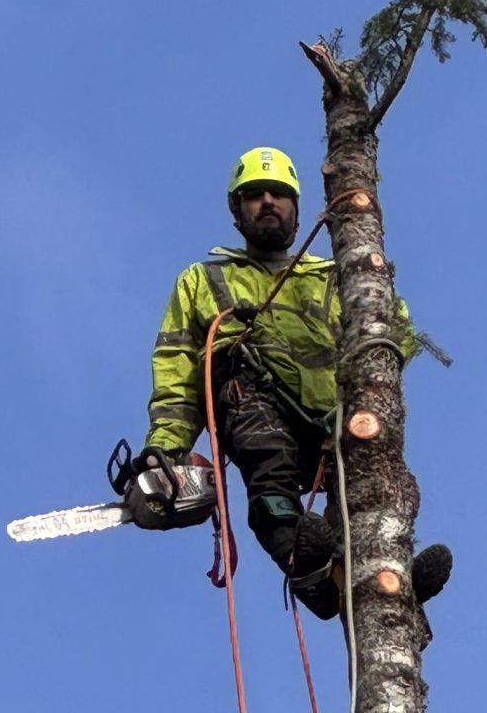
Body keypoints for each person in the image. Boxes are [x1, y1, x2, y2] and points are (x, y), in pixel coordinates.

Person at [120, 146, 451, 622]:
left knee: (377, 481)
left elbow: (394, 329)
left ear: (297, 207)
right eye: (255, 195)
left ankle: (388, 573)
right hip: (253, 402)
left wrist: (369, 307)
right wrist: (167, 447)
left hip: (334, 412)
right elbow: (177, 370)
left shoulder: (335, 278)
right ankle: (307, 567)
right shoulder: (204, 281)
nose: (268, 203)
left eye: (278, 194)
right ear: (237, 209)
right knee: (268, 463)